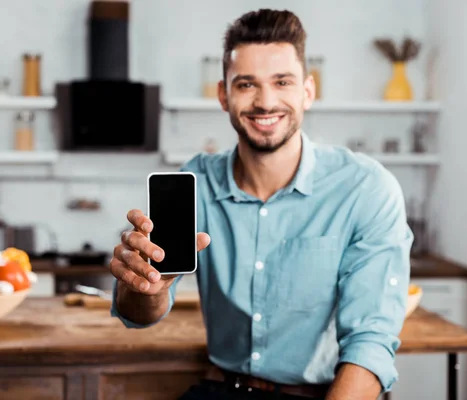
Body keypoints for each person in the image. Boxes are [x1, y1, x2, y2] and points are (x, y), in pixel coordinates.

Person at [109, 8, 412, 400]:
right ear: (224, 94)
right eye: (246, 84)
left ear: (308, 91)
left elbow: (371, 342)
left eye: (282, 82)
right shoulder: (195, 184)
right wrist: (143, 288)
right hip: (222, 390)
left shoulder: (366, 188)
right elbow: (140, 316)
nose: (265, 102)